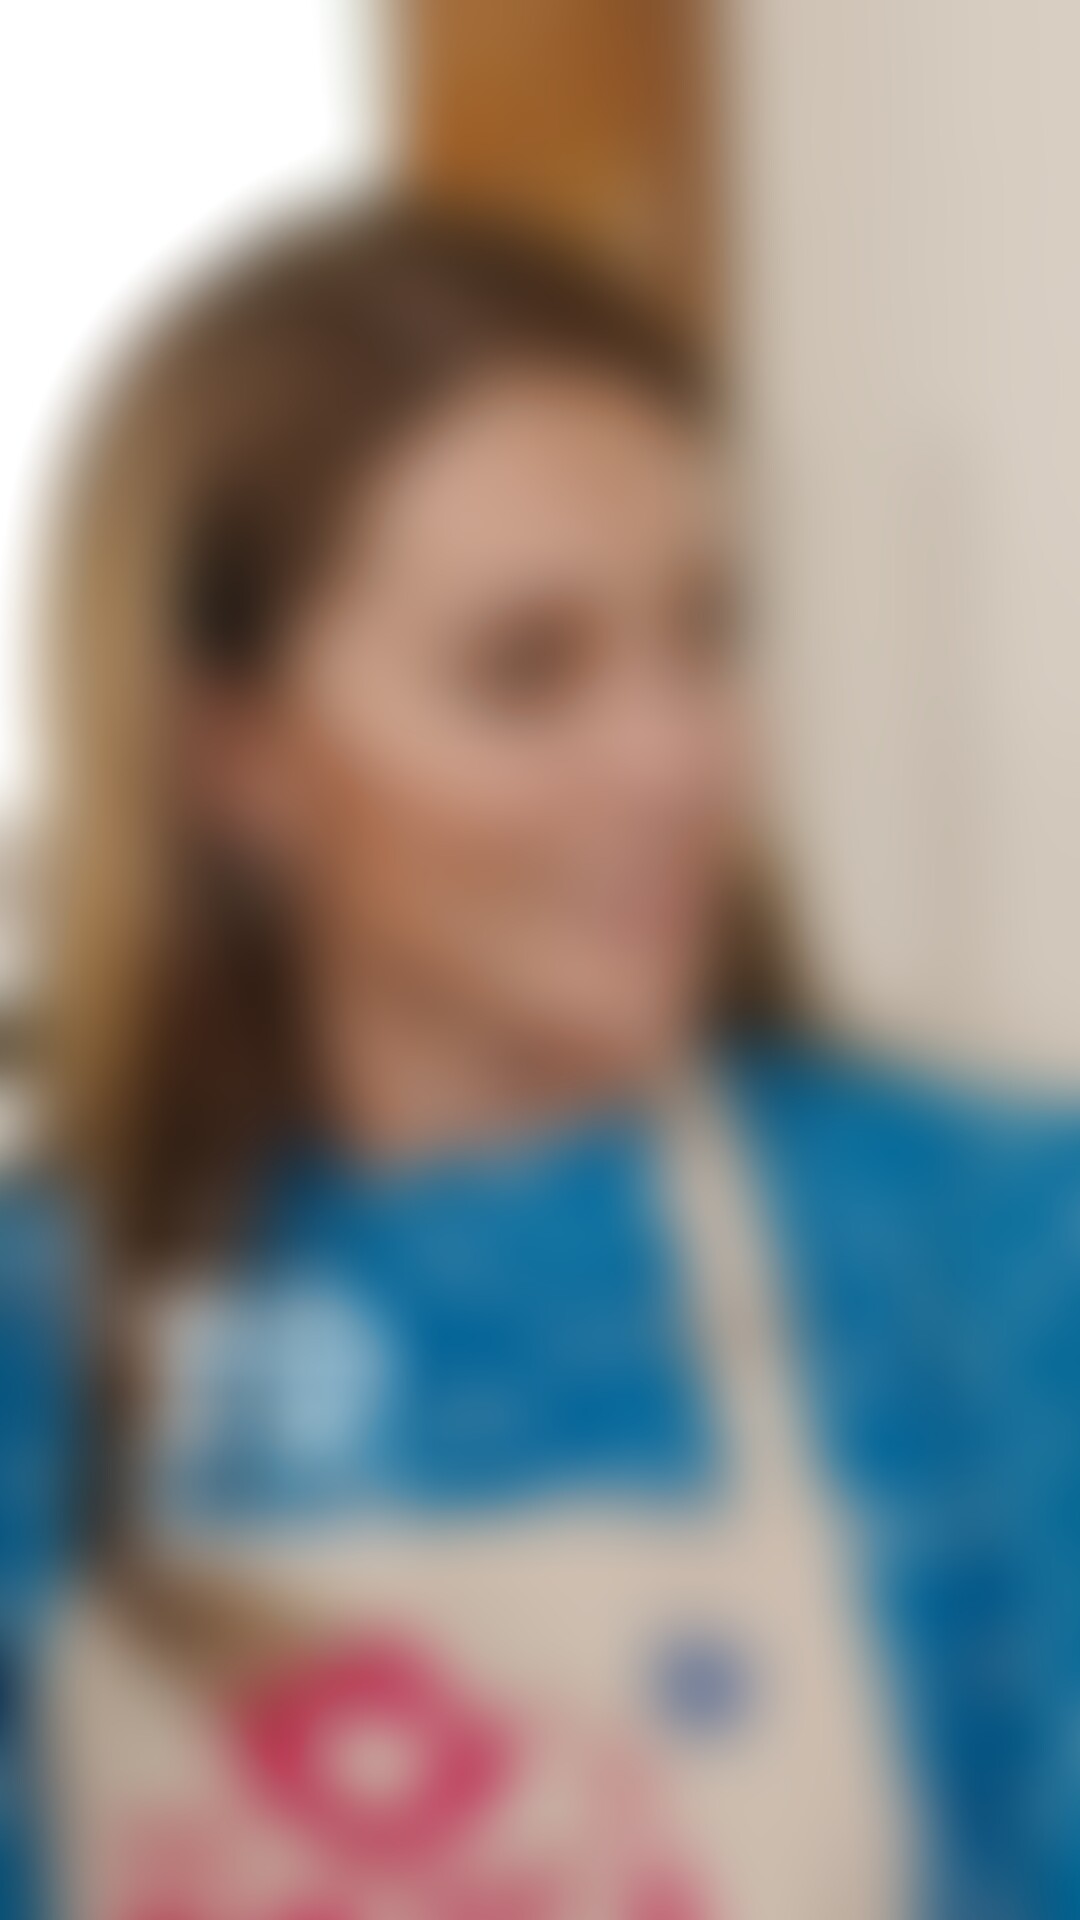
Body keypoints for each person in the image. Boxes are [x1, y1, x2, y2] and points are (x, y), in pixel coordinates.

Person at [0, 202, 1076, 1919]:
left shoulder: (997, 1256)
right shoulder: (47, 1340)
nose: (679, 759)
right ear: (236, 761)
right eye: (527, 671)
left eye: (704, 634)